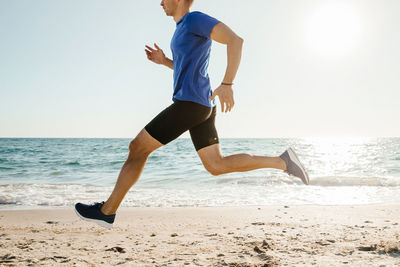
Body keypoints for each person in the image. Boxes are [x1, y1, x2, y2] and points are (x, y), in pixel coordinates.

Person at [75, 0, 310, 229]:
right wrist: (165, 61)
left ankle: (107, 211)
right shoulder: (181, 29)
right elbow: (186, 67)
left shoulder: (194, 20)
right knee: (217, 165)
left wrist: (227, 83)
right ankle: (283, 162)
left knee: (138, 148)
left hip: (190, 104)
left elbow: (235, 41)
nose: (160, 3)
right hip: (202, 105)